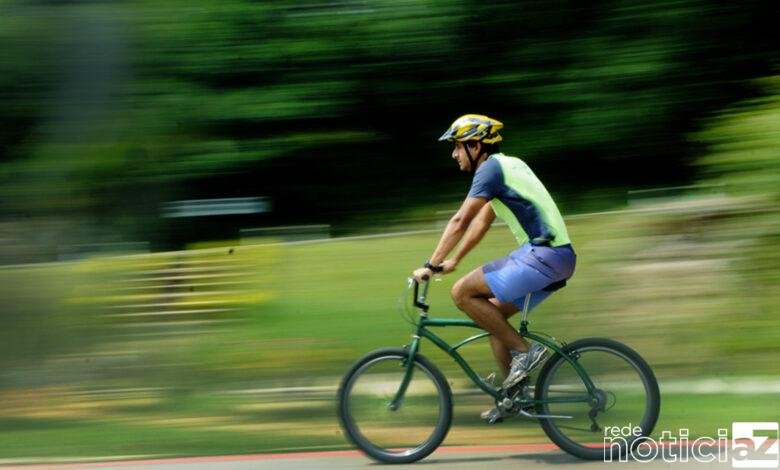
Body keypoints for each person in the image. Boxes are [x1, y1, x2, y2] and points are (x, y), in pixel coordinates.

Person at [412, 114, 576, 423]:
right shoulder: (507, 166)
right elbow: (482, 221)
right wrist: (454, 261)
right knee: (492, 318)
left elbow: (460, 219)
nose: (454, 154)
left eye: (457, 147)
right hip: (557, 258)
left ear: (475, 146)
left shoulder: (489, 170)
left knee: (462, 293)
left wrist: (430, 265)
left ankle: (525, 353)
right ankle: (512, 396)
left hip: (543, 255)